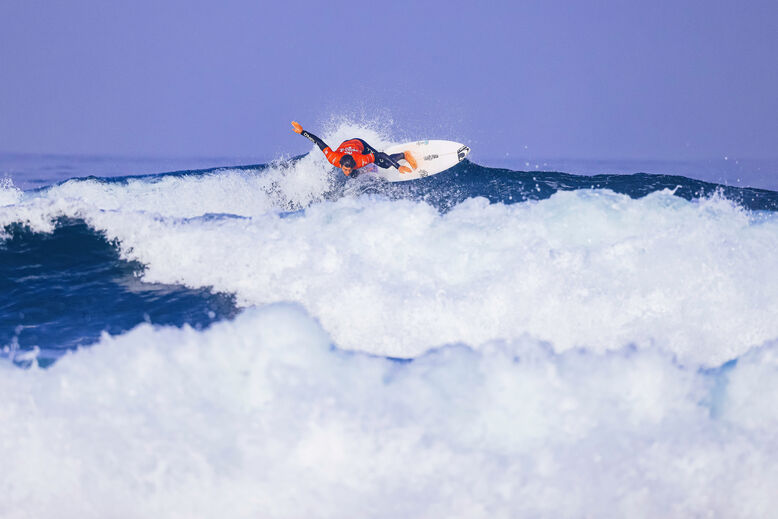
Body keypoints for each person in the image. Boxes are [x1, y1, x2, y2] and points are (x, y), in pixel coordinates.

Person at [291, 121, 416, 178]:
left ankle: (404, 155)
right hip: (346, 144)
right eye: (345, 169)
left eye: (348, 169)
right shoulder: (332, 157)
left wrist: (398, 167)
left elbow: (381, 155)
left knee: (384, 165)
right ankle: (368, 170)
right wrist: (302, 131)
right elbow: (319, 142)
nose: (346, 171)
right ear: (340, 164)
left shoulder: (361, 159)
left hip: (359, 145)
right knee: (353, 176)